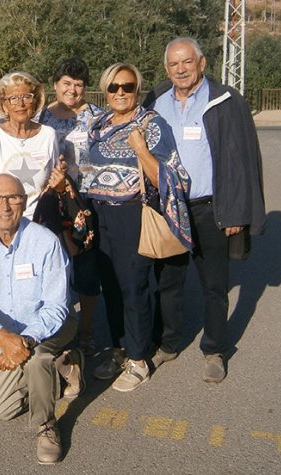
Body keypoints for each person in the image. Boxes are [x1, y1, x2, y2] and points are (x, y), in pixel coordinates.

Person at [144, 37, 265, 383]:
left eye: (186, 62)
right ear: (166, 68)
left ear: (202, 63)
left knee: (215, 285)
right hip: (170, 208)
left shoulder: (225, 100)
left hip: (210, 207)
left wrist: (237, 211)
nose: (180, 70)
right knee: (168, 281)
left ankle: (214, 349)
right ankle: (168, 342)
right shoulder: (156, 100)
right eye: (173, 64)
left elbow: (242, 160)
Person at [85, 63, 192, 392]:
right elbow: (89, 170)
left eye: (128, 87)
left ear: (136, 89)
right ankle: (120, 349)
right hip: (100, 215)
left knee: (133, 289)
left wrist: (141, 150)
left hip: (132, 214)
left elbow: (174, 176)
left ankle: (138, 359)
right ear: (105, 90)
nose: (120, 93)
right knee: (111, 288)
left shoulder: (151, 124)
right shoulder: (98, 125)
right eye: (114, 87)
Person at [0, 174, 78, 465]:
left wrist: (24, 341)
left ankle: (46, 425)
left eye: (12, 197)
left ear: (24, 202)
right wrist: (2, 337)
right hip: (9, 332)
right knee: (3, 409)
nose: (5, 206)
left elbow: (56, 307)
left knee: (36, 359)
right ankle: (66, 365)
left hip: (52, 326)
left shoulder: (45, 241)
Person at [35, 57, 108, 358]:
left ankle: (86, 331)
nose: (73, 90)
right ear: (55, 85)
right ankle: (56, 329)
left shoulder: (97, 116)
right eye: (67, 83)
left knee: (87, 269)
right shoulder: (41, 117)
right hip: (53, 202)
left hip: (88, 200)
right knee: (52, 271)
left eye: (79, 85)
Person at [0, 71, 61, 221]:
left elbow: (53, 180)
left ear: (35, 101)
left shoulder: (48, 135)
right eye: (13, 98)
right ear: (4, 105)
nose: (20, 104)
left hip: (41, 220)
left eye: (26, 97)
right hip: (4, 221)